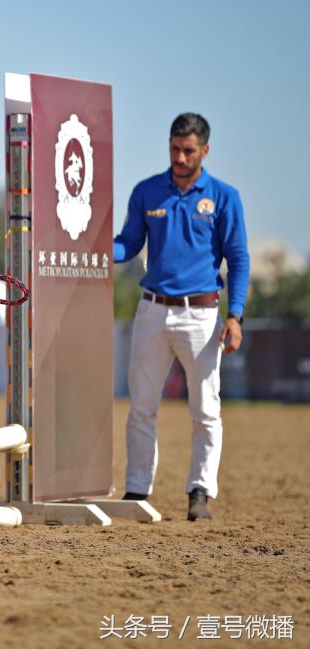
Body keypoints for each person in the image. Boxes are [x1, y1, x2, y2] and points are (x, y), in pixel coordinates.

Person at [113, 113, 250, 521]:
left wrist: (236, 314)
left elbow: (238, 258)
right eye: (174, 148)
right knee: (140, 406)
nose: (179, 156)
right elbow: (128, 245)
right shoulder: (147, 191)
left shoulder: (225, 196)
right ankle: (137, 490)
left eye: (188, 150)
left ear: (204, 151)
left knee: (206, 410)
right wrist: (94, 250)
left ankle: (200, 492)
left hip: (203, 315)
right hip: (152, 310)